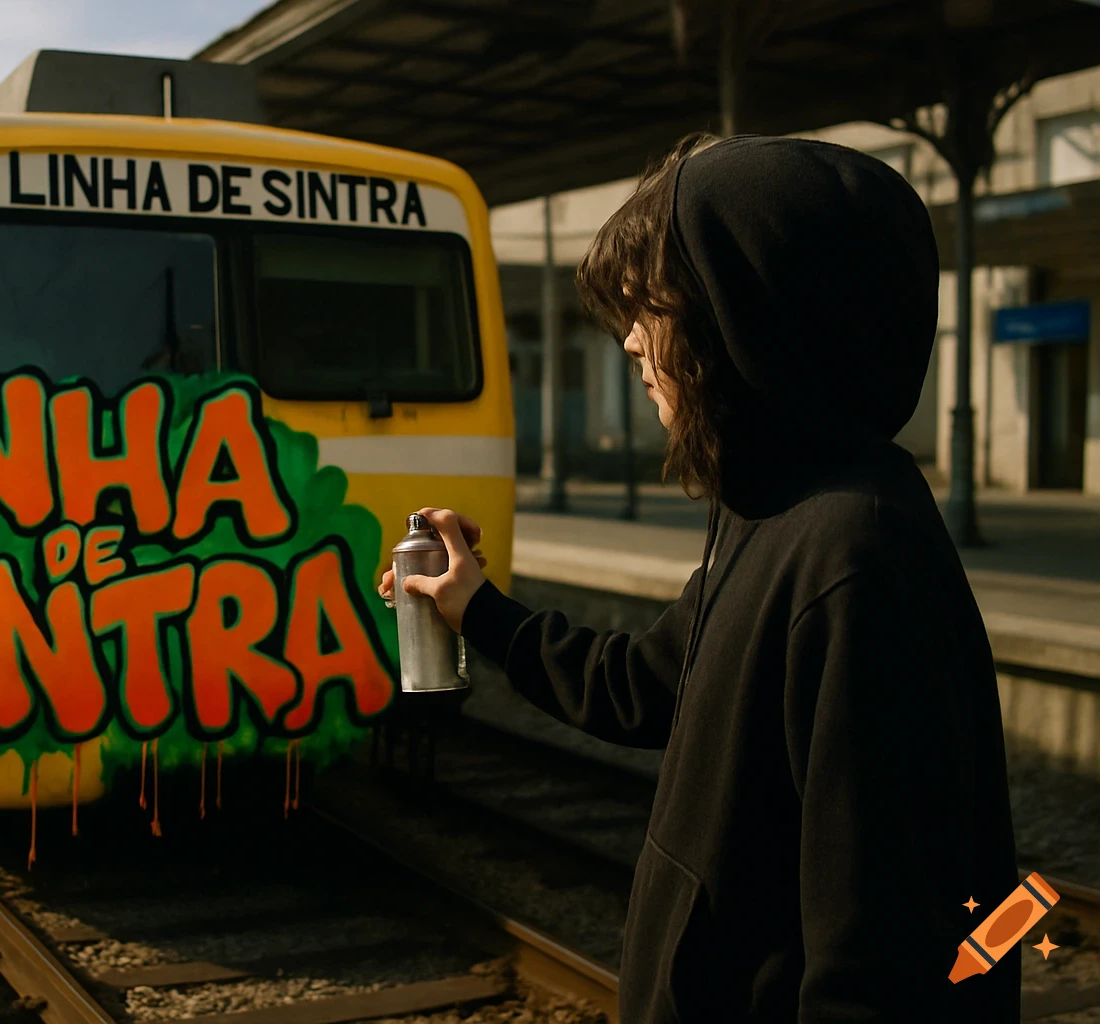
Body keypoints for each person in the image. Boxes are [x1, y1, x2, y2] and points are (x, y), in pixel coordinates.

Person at [380, 133, 1019, 1022]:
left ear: (748, 317)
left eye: (657, 307)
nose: (632, 341)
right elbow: (643, 686)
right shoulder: (771, 511)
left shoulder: (855, 562)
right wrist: (477, 609)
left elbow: (882, 968)